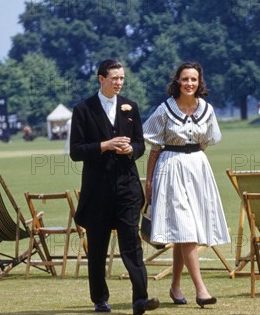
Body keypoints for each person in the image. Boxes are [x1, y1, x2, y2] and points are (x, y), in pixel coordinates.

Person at [70, 59, 159, 315]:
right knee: (97, 246)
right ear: (101, 79)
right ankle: (99, 298)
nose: (119, 83)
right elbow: (76, 152)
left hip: (128, 188)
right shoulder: (83, 109)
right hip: (97, 190)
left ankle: (140, 299)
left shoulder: (131, 107)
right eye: (114, 78)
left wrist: (132, 149)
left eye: (122, 78)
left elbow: (141, 144)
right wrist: (105, 145)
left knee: (132, 243)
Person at [142, 62, 229, 308]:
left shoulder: (207, 110)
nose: (189, 83)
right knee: (186, 229)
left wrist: (193, 160)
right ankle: (201, 290)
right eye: (185, 79)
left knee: (185, 231)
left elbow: (205, 142)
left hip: (198, 169)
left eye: (193, 79)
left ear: (199, 82)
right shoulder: (164, 109)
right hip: (170, 168)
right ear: (177, 81)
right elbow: (154, 148)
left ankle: (175, 286)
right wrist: (149, 181)